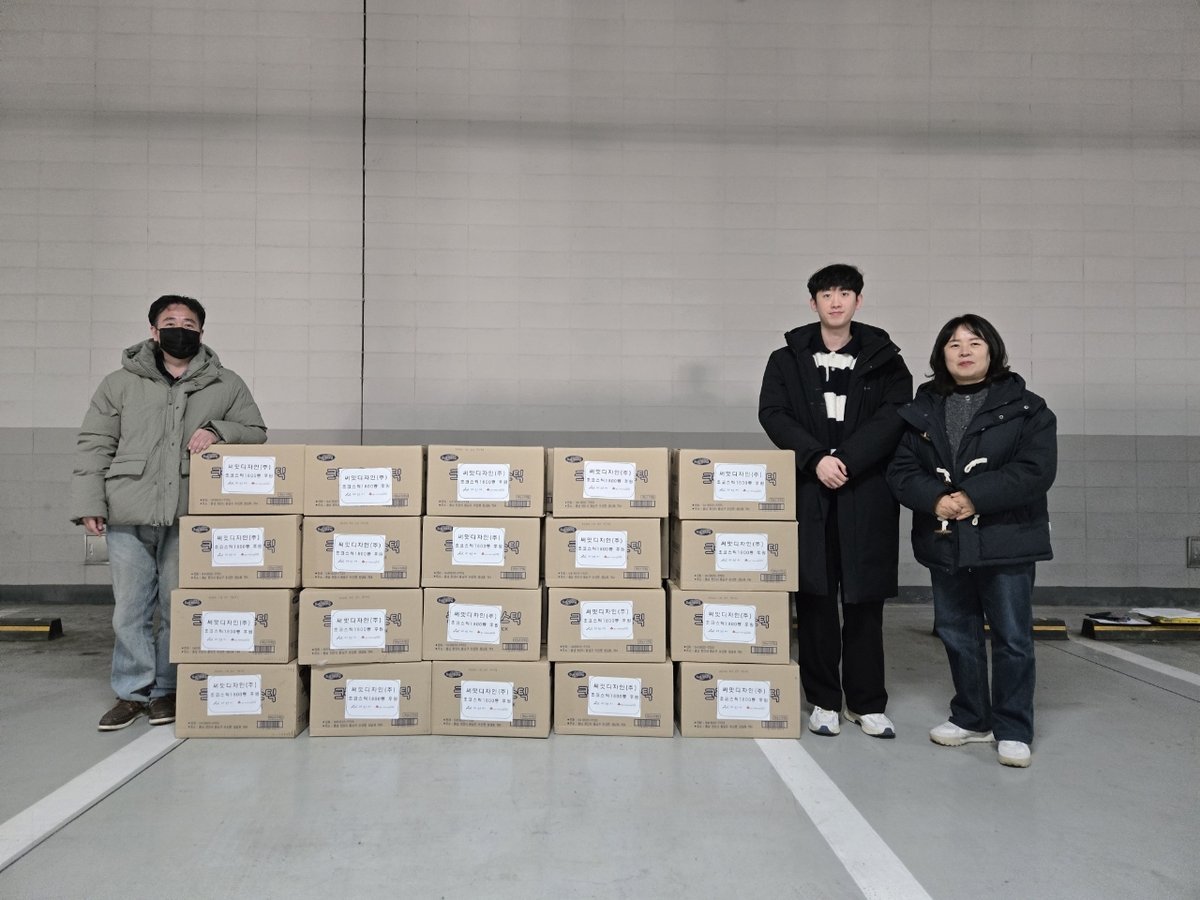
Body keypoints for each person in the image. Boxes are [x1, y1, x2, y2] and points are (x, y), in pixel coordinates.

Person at [72, 295, 266, 731]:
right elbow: (94, 443)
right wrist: (89, 503)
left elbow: (256, 431)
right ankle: (132, 692)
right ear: (154, 331)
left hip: (190, 512)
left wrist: (218, 430)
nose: (181, 329)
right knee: (130, 609)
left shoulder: (225, 383)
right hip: (128, 508)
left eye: (190, 323)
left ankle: (167, 690)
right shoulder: (120, 383)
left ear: (201, 331)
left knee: (179, 605)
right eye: (171, 322)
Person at [887, 314, 1056, 768]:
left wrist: (972, 497)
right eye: (954, 344)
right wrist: (935, 499)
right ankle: (971, 717)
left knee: (1012, 637)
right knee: (957, 632)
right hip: (946, 539)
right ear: (941, 354)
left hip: (1006, 539)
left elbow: (1035, 471)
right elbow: (901, 470)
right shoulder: (922, 409)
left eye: (974, 342)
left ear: (992, 350)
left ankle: (1013, 728)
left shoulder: (1027, 408)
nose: (964, 351)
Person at [759, 263, 912, 738]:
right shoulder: (786, 359)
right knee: (816, 598)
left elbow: (894, 416)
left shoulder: (886, 360)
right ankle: (824, 700)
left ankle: (866, 703)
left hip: (866, 490)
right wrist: (814, 459)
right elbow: (773, 413)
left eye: (845, 293)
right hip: (810, 490)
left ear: (858, 301)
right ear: (814, 303)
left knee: (865, 601)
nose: (836, 301)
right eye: (826, 294)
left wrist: (845, 459)